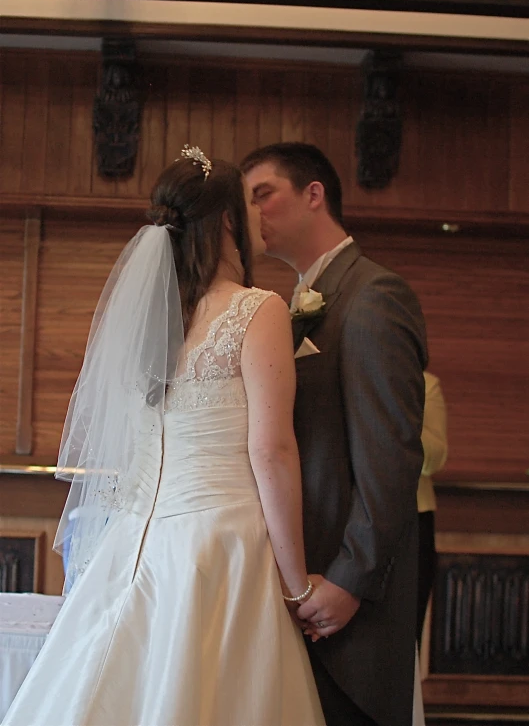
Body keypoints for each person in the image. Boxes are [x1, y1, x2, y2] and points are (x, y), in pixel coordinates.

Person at [3, 147, 324, 726]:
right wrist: (297, 585)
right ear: (227, 220)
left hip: (134, 543)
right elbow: (271, 450)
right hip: (222, 546)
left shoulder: (150, 321)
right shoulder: (257, 310)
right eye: (248, 205)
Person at [242, 142, 428, 726]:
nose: (252, 214)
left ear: (314, 194)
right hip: (303, 593)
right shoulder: (296, 303)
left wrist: (351, 581)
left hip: (348, 607)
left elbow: (390, 458)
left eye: (262, 195)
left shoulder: (373, 296)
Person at [417, 371, 448, 648]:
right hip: (343, 517)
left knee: (408, 633)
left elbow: (434, 460)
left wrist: (402, 408)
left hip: (415, 518)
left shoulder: (426, 384)